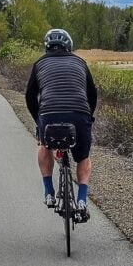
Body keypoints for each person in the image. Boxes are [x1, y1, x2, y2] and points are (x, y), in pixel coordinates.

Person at [25, 28, 97, 222]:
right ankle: (82, 199)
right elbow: (92, 94)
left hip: (48, 114)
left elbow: (30, 96)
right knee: (83, 157)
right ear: (69, 46)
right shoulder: (80, 62)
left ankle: (49, 192)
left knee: (43, 144)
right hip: (79, 113)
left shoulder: (39, 63)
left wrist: (38, 121)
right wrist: (89, 117)